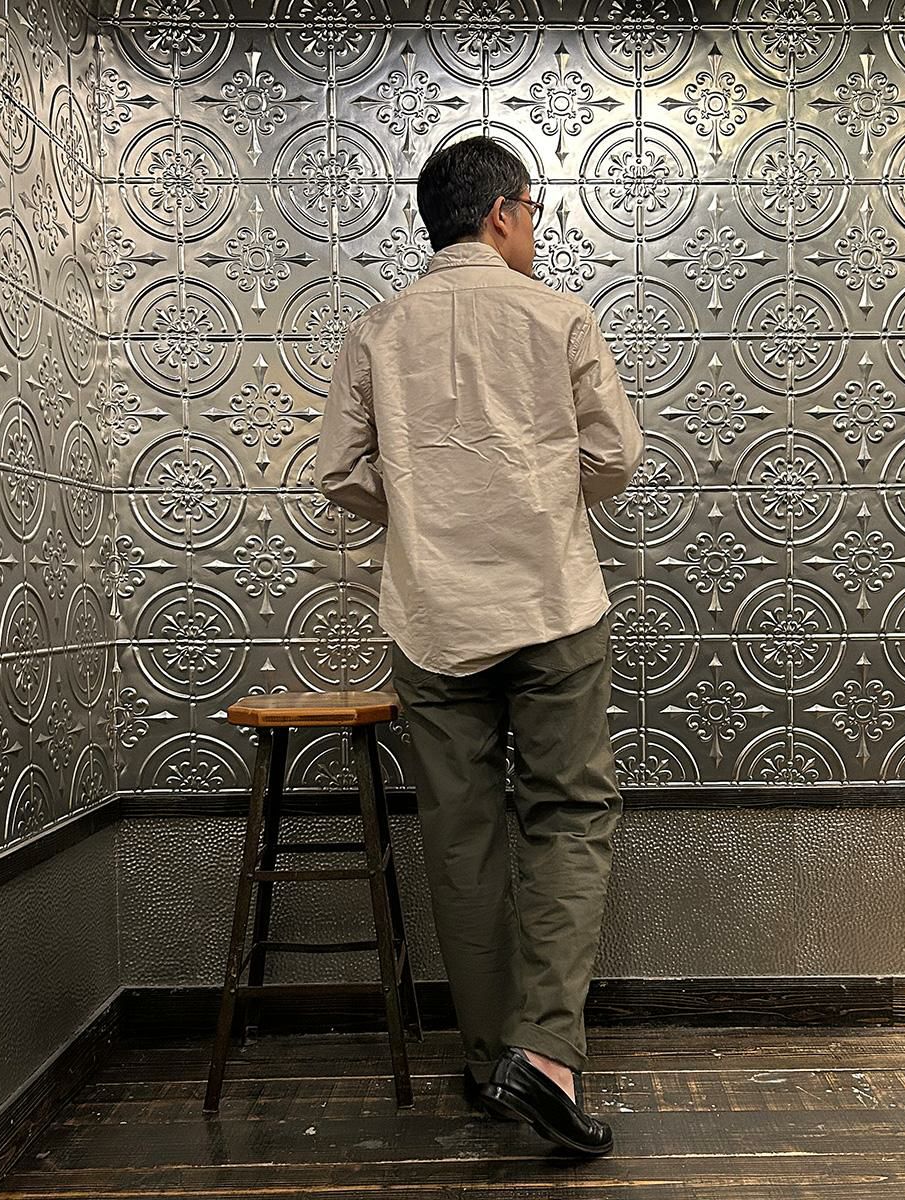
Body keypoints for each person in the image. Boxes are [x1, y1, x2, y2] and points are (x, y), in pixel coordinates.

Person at [313, 135, 644, 1155]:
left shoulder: (376, 330)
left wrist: (426, 515)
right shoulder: (560, 316)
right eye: (531, 212)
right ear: (503, 213)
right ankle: (545, 1056)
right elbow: (614, 455)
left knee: (461, 835)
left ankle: (487, 1060)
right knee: (568, 816)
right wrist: (536, 504)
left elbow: (340, 471)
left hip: (433, 617)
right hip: (553, 605)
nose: (533, 231)